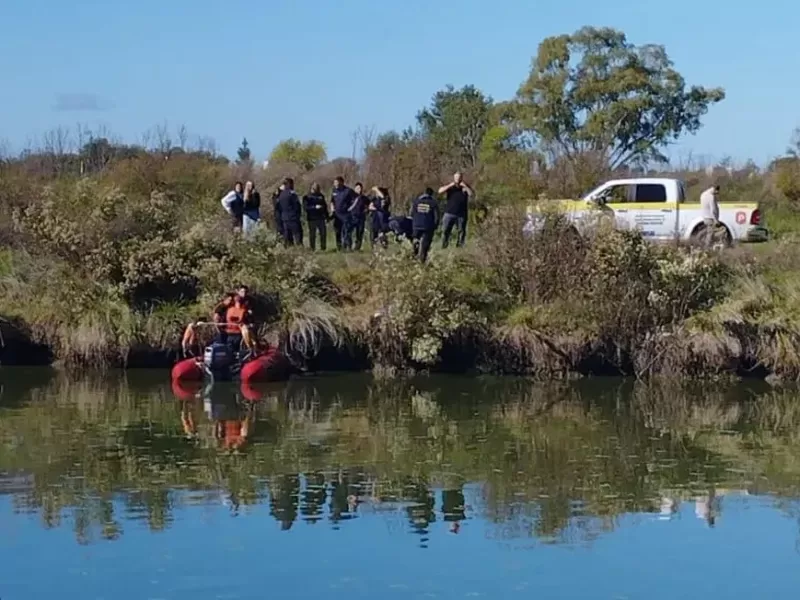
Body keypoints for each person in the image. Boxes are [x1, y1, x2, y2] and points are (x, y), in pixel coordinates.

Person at [438, 171, 473, 248]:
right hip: (449, 212)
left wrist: (465, 187)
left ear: (462, 178)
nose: (458, 179)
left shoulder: (465, 188)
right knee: (445, 230)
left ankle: (460, 246)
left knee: (461, 231)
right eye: (456, 178)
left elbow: (471, 194)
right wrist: (450, 185)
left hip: (461, 214)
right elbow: (440, 191)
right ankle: (444, 245)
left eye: (459, 177)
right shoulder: (450, 187)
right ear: (454, 178)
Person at [411, 187, 439, 262]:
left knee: (415, 240)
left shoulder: (416, 201)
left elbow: (412, 213)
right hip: (428, 227)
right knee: (425, 245)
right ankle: (422, 260)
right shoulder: (433, 203)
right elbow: (436, 216)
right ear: (431, 194)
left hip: (416, 225)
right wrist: (435, 226)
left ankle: (414, 256)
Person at [331, 176, 357, 251]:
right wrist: (332, 208)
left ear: (341, 182)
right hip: (337, 215)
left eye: (336, 182)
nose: (335, 184)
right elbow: (332, 201)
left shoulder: (348, 190)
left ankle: (347, 246)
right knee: (337, 231)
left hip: (345, 214)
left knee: (346, 231)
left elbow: (356, 198)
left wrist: (351, 207)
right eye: (334, 183)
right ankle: (339, 247)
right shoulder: (334, 191)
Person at [276, 177, 303, 246]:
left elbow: (278, 206)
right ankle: (300, 250)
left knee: (288, 237)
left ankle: (290, 251)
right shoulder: (292, 194)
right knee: (298, 235)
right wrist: (298, 215)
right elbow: (297, 206)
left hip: (284, 218)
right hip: (293, 218)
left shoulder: (281, 195)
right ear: (290, 184)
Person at [303, 182, 329, 251]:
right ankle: (312, 248)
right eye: (314, 187)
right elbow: (305, 208)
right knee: (312, 234)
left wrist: (327, 216)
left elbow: (325, 207)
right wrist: (315, 207)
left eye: (317, 187)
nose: (316, 188)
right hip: (312, 218)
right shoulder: (307, 197)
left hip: (321, 218)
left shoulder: (321, 196)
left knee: (323, 233)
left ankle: (323, 248)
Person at [700, 183, 721, 248]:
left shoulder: (703, 194)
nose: (716, 194)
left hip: (705, 216)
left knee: (707, 231)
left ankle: (700, 241)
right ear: (715, 189)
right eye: (716, 192)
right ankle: (707, 247)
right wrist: (716, 220)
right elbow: (713, 209)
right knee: (710, 233)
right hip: (710, 217)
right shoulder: (711, 197)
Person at [351, 182, 369, 251]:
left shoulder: (364, 198)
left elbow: (369, 205)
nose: (359, 189)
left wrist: (366, 210)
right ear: (355, 189)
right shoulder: (351, 197)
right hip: (352, 217)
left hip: (361, 218)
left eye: (361, 188)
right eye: (358, 188)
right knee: (352, 233)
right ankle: (350, 246)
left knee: (360, 232)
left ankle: (357, 247)